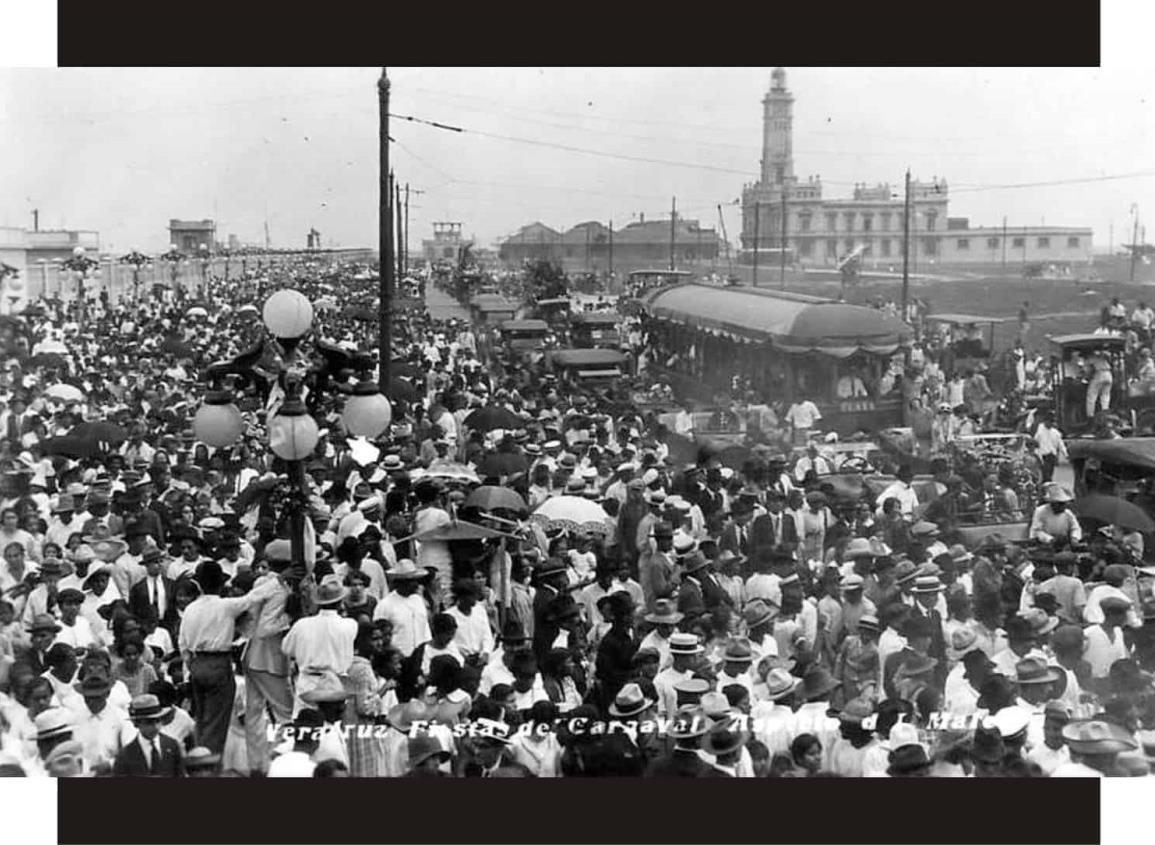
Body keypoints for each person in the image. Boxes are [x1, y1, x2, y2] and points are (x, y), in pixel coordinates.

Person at [177, 561, 277, 755]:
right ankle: (208, 765)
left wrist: (192, 665)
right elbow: (254, 597)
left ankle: (201, 759)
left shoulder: (190, 609)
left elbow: (183, 644)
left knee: (203, 718)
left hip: (197, 664)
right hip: (217, 663)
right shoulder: (226, 606)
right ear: (220, 584)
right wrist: (279, 581)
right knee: (216, 722)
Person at [113, 694, 185, 776]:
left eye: (158, 721)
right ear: (136, 724)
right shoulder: (125, 755)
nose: (155, 727)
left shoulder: (172, 746)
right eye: (149, 722)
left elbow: (180, 774)